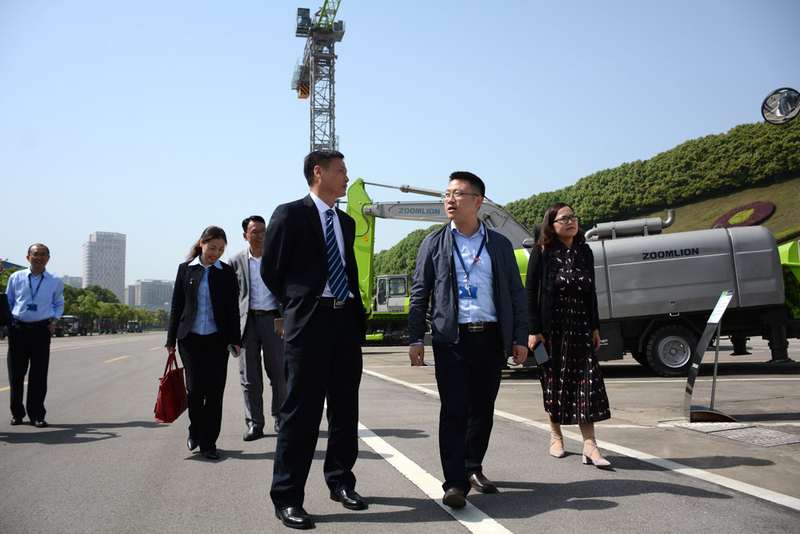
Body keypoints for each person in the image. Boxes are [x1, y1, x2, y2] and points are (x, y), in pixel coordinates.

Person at [407, 172, 528, 509]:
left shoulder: (499, 244)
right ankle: (454, 483)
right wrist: (415, 337)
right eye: (447, 194)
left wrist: (519, 337)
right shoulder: (433, 243)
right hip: (451, 340)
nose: (450, 199)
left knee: (483, 410)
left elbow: (515, 294)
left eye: (458, 193)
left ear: (478, 201)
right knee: (454, 410)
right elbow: (420, 293)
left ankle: (473, 466)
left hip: (490, 338)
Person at [261, 149, 367, 530]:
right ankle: (287, 497)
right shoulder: (290, 214)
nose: (347, 177)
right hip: (310, 322)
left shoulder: (345, 221)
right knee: (301, 412)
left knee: (345, 408)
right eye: (341, 170)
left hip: (345, 320)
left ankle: (341, 482)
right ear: (318, 173)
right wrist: (296, 306)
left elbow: (347, 268)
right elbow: (271, 270)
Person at [525, 202, 612, 468]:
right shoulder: (541, 252)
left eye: (573, 216)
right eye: (563, 218)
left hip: (581, 327)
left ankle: (590, 444)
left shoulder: (585, 251)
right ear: (551, 225)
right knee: (554, 383)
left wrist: (595, 327)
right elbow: (530, 292)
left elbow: (591, 291)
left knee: (587, 382)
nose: (570, 221)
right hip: (552, 330)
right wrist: (534, 330)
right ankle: (556, 436)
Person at [166, 226, 241, 461]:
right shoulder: (185, 270)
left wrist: (235, 340)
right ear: (202, 243)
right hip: (190, 339)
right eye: (212, 248)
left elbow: (232, 309)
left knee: (215, 392)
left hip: (218, 340)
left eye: (221, 249)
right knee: (195, 390)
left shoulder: (227, 273)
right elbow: (177, 306)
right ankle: (195, 431)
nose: (216, 253)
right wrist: (170, 339)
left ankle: (209, 442)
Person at [229, 215, 287, 441]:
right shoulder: (235, 261)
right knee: (249, 378)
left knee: (279, 374)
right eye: (255, 232)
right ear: (245, 236)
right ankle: (254, 423)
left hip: (274, 321)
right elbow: (231, 298)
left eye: (263, 231)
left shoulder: (278, 257)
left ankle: (281, 418)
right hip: (248, 323)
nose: (260, 236)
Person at [5, 244, 64, 428]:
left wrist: (53, 323)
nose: (39, 258)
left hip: (41, 330)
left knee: (38, 374)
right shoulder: (16, 277)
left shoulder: (54, 281)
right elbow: (9, 301)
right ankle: (17, 413)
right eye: (35, 254)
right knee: (16, 374)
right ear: (28, 257)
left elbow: (59, 303)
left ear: (48, 258)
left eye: (43, 255)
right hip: (18, 330)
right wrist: (9, 324)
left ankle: (37, 415)